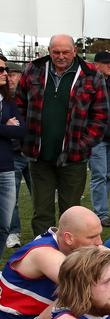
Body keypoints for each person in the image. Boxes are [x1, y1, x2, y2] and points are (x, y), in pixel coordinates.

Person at [14, 34, 108, 236]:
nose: (61, 56)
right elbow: (19, 105)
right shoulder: (34, 69)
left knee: (72, 212)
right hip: (39, 156)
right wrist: (23, 137)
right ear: (49, 51)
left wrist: (83, 144)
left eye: (66, 52)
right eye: (56, 52)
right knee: (42, 212)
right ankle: (43, 253)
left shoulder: (91, 74)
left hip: (74, 157)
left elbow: (100, 116)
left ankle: (69, 260)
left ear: (74, 51)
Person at [88, 51, 110, 228]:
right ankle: (100, 214)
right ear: (97, 65)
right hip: (97, 139)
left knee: (107, 176)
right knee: (99, 176)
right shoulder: (91, 84)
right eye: (107, 63)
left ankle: (103, 212)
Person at [0, 55, 25, 261]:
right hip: (8, 163)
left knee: (3, 225)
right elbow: (10, 130)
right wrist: (5, 126)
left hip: (6, 167)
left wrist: (8, 129)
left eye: (6, 70)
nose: (5, 74)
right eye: (1, 70)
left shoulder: (8, 101)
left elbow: (21, 131)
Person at [5, 61, 28, 250]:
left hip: (32, 151)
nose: (9, 78)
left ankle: (45, 231)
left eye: (13, 74)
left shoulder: (29, 95)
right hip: (11, 153)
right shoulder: (4, 99)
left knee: (41, 195)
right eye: (7, 74)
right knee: (12, 197)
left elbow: (24, 127)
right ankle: (14, 232)